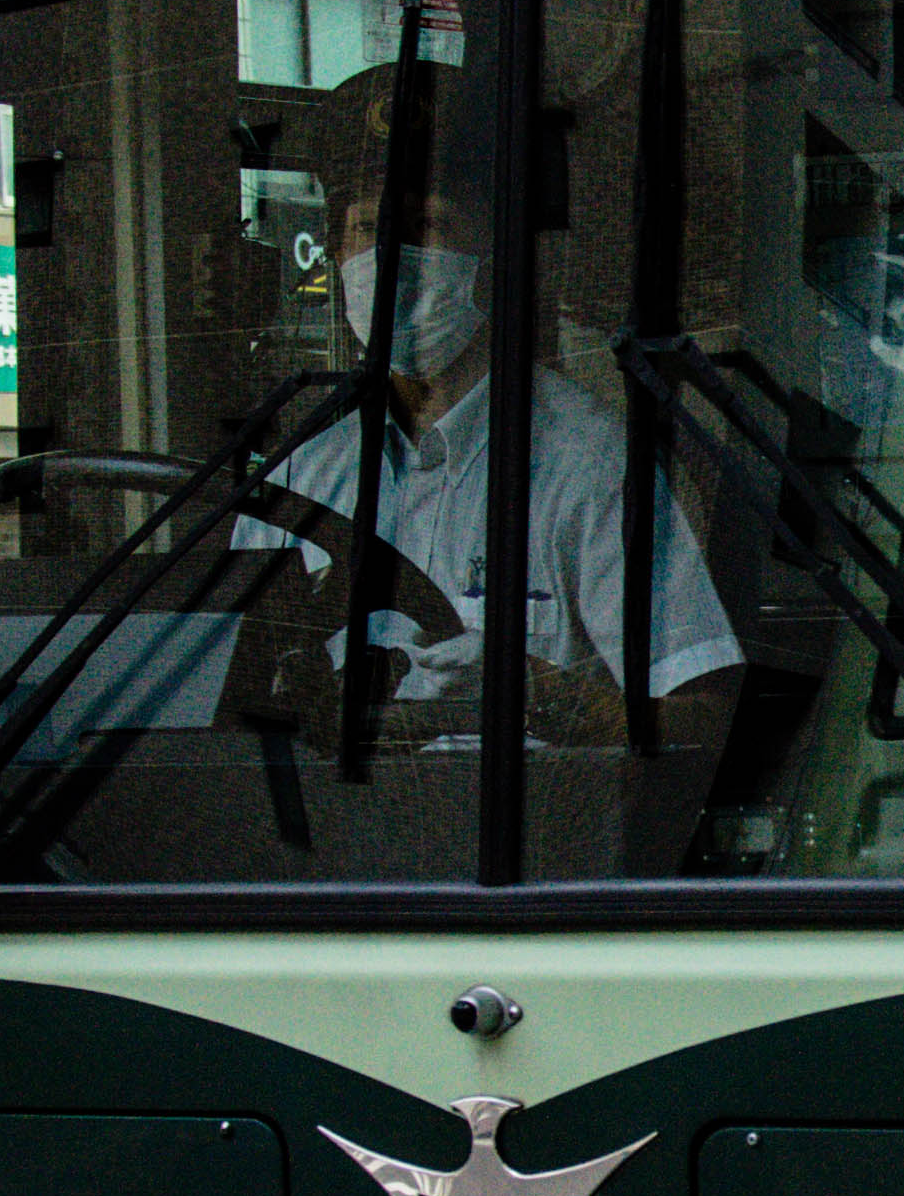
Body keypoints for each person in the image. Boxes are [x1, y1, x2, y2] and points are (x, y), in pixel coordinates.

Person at [274, 57, 745, 805]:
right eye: (368, 228)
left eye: (428, 224)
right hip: (336, 866)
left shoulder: (590, 466)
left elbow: (702, 721)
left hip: (526, 861)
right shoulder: (297, 481)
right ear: (335, 255)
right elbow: (225, 717)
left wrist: (557, 702)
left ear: (490, 262)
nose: (388, 258)